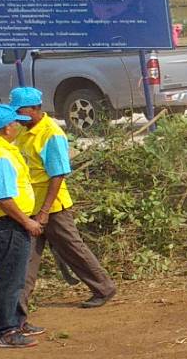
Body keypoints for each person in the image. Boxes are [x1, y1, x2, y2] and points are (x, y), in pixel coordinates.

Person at [11, 86, 117, 309]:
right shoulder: (24, 130)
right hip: (30, 205)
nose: (18, 117)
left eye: (21, 111)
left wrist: (45, 211)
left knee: (73, 249)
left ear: (36, 108)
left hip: (52, 207)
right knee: (25, 257)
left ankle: (104, 288)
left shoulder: (51, 134)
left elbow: (58, 175)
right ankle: (14, 306)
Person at [0, 103, 43, 348]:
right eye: (15, 123)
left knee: (14, 276)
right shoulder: (1, 157)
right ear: (6, 128)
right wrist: (27, 221)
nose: (18, 126)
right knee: (10, 280)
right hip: (8, 226)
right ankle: (7, 331)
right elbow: (3, 198)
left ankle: (17, 322)